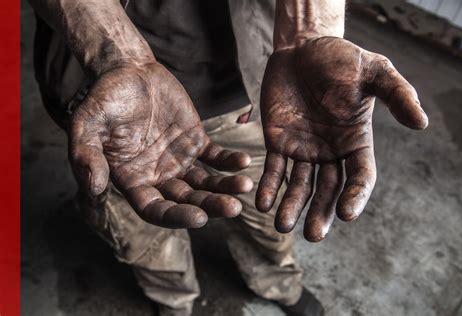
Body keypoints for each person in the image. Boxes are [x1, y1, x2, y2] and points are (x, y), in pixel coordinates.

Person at [29, 0, 428, 315]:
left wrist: (308, 34)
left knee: (271, 214)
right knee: (142, 230)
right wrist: (117, 56)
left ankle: (276, 282)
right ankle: (173, 299)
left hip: (249, 86)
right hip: (108, 93)